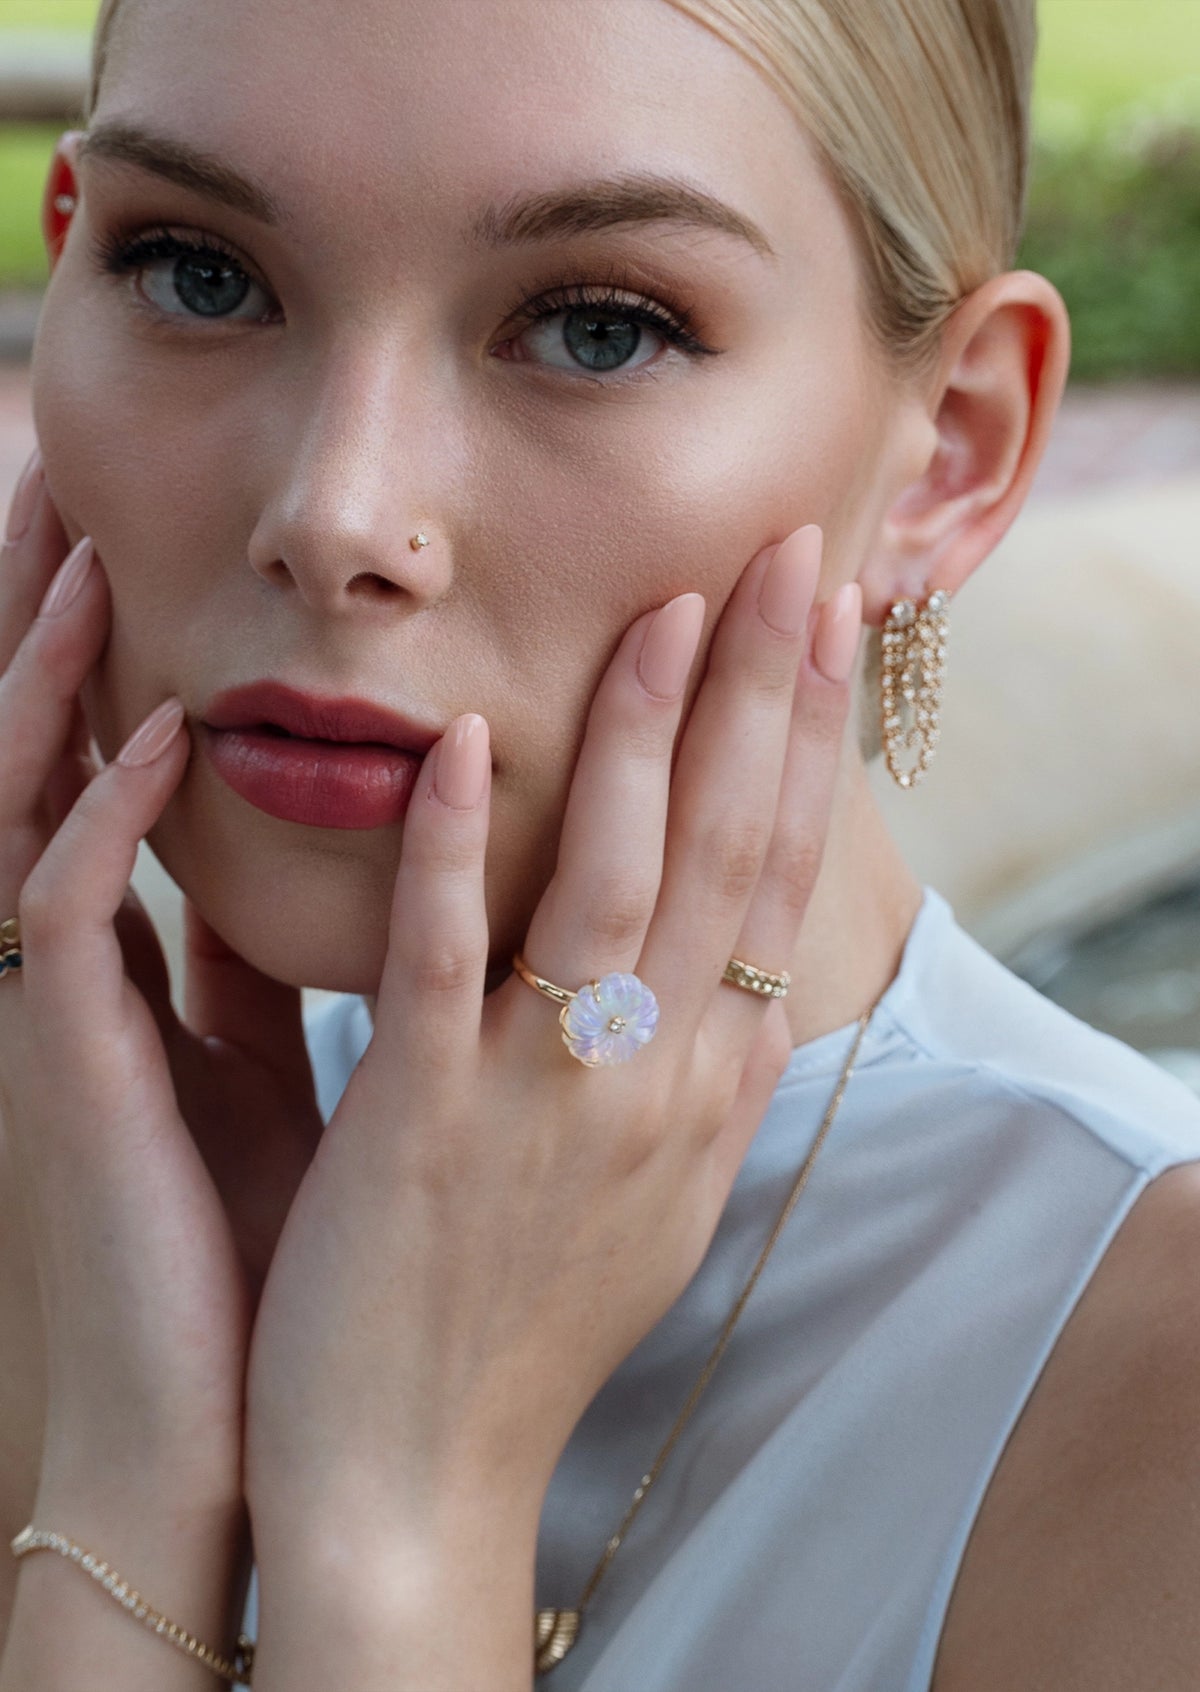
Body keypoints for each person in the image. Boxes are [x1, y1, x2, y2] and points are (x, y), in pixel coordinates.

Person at [1, 0, 1199, 1686]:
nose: (336, 514)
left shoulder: (1149, 1368)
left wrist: (393, 1534)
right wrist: (125, 1475)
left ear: (953, 448)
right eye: (198, 274)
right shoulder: (64, 1188)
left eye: (597, 328)